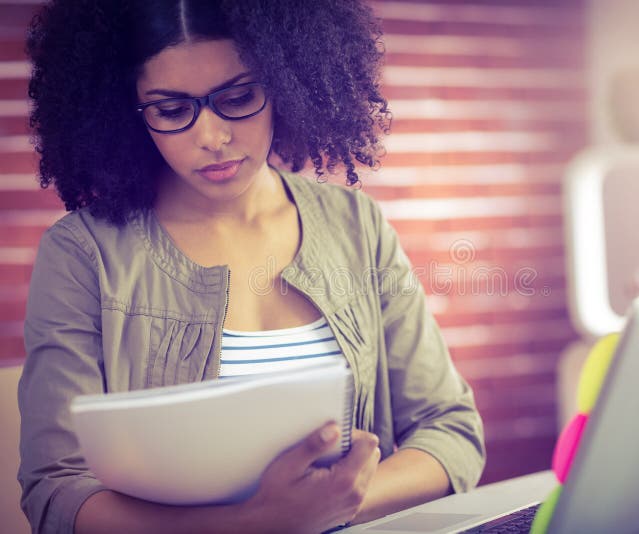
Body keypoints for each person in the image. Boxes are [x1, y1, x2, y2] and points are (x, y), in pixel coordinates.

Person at [16, 1, 486, 533]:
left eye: (238, 98)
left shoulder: (356, 225)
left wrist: (332, 503)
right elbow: (57, 490)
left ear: (287, 83)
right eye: (172, 111)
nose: (212, 137)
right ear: (126, 110)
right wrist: (255, 523)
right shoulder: (83, 254)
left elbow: (451, 430)